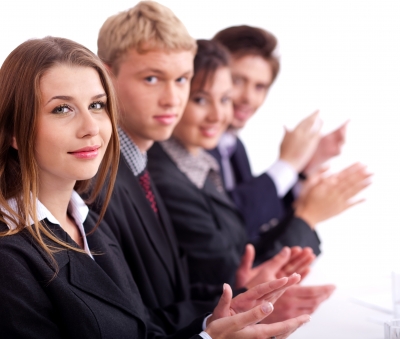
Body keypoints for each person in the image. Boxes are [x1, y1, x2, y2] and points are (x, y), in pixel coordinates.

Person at [0, 36, 311, 339]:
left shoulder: (87, 222)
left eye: (97, 105)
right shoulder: (9, 258)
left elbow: (139, 328)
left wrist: (211, 325)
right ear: (14, 131)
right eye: (62, 109)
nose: (91, 127)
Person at [93, 1, 315, 334]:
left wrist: (234, 298)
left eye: (182, 79)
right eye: (152, 79)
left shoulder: (142, 167)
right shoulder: (96, 181)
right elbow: (126, 321)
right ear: (106, 76)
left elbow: (166, 292)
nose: (172, 99)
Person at [209, 26, 366, 253]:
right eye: (237, 80)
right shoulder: (193, 148)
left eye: (260, 86)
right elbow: (229, 223)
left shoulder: (233, 146)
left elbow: (254, 226)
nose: (248, 98)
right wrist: (289, 163)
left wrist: (303, 167)